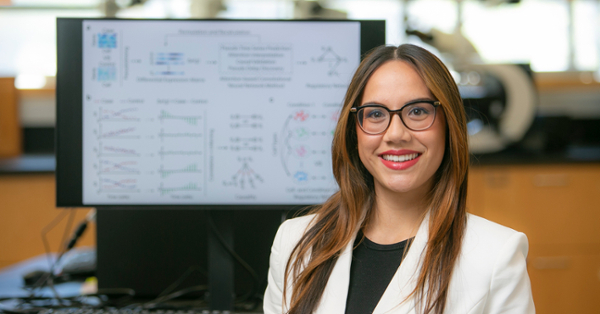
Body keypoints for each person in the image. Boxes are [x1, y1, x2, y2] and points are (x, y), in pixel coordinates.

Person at [263, 44, 535, 314]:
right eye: (376, 114)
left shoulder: (496, 255)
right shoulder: (296, 244)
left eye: (417, 111)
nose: (395, 134)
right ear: (353, 131)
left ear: (448, 125)